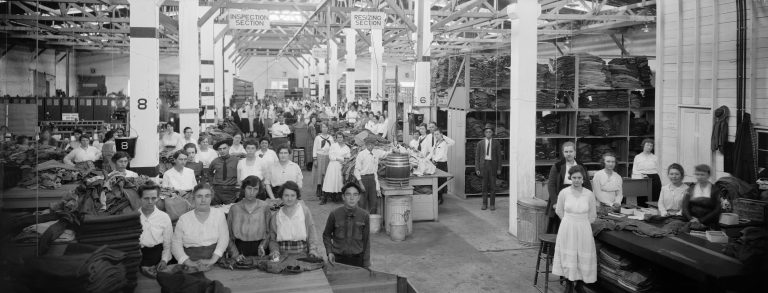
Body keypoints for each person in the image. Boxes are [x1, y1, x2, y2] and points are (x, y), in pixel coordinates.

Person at [552, 165, 597, 292]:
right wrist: (568, 221)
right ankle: (569, 283)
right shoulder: (564, 193)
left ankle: (580, 283)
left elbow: (592, 215)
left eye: (579, 178)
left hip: (584, 227)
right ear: (570, 178)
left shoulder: (589, 194)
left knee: (582, 255)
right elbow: (559, 210)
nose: (577, 180)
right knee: (569, 254)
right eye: (574, 177)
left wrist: (582, 223)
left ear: (583, 179)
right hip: (567, 227)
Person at [172, 184, 229, 271]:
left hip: (216, 262)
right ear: (193, 198)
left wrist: (212, 260)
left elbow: (224, 239)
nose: (203, 200)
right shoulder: (184, 219)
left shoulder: (219, 215)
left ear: (211, 197)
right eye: (199, 196)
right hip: (190, 264)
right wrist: (188, 262)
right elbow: (176, 244)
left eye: (207, 196)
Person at [266, 181, 324, 259]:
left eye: (293, 195)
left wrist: (312, 250)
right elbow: (273, 239)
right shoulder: (276, 215)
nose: (289, 199)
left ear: (297, 196)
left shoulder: (304, 211)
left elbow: (311, 231)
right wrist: (275, 251)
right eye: (286, 195)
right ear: (281, 196)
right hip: (282, 255)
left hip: (302, 254)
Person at [546, 141, 591, 233]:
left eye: (570, 151)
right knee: (558, 226)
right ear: (563, 153)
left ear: (575, 152)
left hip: (578, 197)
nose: (568, 154)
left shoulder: (581, 166)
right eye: (566, 152)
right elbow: (551, 185)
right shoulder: (557, 166)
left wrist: (589, 200)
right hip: (561, 198)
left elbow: (587, 184)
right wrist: (555, 202)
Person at [323, 182, 370, 268]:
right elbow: (326, 235)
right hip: (338, 259)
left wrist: (366, 263)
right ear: (343, 197)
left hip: (357, 259)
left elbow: (366, 241)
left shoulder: (364, 215)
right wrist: (329, 252)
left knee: (356, 281)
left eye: (355, 195)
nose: (352, 198)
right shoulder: (334, 214)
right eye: (348, 194)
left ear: (359, 197)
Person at [228, 176, 271, 260]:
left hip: (259, 249)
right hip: (239, 249)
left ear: (259, 191)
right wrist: (235, 254)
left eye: (255, 189)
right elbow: (228, 235)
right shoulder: (234, 208)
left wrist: (263, 245)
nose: (252, 192)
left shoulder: (264, 207)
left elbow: (269, 232)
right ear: (244, 188)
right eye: (249, 188)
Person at [137, 182, 173, 278]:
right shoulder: (133, 217)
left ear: (158, 198)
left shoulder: (164, 217)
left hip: (157, 255)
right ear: (140, 198)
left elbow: (167, 243)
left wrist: (164, 260)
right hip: (138, 256)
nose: (150, 202)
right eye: (146, 198)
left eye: (153, 198)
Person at [475, 124, 502, 211]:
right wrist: (477, 168)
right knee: (484, 186)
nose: (488, 133)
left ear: (492, 133)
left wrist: (499, 168)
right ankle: (484, 203)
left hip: (492, 165)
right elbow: (477, 157)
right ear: (484, 133)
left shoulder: (496, 143)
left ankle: (492, 204)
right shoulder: (480, 143)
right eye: (486, 132)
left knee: (493, 186)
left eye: (490, 132)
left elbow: (499, 157)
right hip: (483, 165)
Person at [354, 137, 382, 214]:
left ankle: (372, 223)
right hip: (363, 179)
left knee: (374, 203)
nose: (372, 146)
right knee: (362, 203)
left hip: (372, 179)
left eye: (373, 144)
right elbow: (356, 170)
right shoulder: (361, 154)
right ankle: (360, 223)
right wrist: (361, 184)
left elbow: (385, 153)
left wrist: (394, 149)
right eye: (371, 144)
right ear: (367, 145)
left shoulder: (376, 152)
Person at [322, 132, 351, 205]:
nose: (339, 139)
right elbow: (331, 157)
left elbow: (348, 157)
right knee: (330, 181)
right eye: (338, 137)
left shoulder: (346, 147)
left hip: (341, 166)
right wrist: (341, 159)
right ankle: (324, 198)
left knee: (338, 181)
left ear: (343, 138)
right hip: (332, 165)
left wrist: (342, 160)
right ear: (336, 138)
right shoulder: (333, 146)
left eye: (341, 137)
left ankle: (334, 197)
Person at [208, 140, 240, 205]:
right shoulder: (215, 161)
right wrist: (212, 184)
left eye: (224, 148)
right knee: (215, 210)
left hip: (230, 190)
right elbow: (209, 173)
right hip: (217, 191)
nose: (222, 151)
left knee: (229, 211)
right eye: (220, 149)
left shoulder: (236, 160)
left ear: (229, 148)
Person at [428, 128, 454, 205]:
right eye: (435, 134)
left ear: (441, 134)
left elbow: (441, 154)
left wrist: (434, 160)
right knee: (437, 181)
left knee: (441, 181)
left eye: (437, 134)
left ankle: (440, 198)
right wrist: (425, 159)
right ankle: (437, 197)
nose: (436, 136)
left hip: (441, 164)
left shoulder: (444, 143)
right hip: (435, 164)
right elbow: (432, 153)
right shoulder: (436, 143)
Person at [631, 138, 661, 203]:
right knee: (642, 197)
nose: (649, 147)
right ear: (643, 145)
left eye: (651, 146)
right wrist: (641, 175)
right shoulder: (637, 157)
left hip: (654, 178)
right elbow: (634, 170)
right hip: (641, 178)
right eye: (647, 145)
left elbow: (658, 170)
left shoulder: (655, 157)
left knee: (654, 197)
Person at [312, 123, 333, 198]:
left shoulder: (331, 137)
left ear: (328, 128)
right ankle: (318, 188)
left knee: (326, 173)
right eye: (323, 127)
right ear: (321, 128)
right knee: (319, 172)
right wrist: (315, 159)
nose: (324, 129)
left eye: (326, 127)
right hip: (319, 156)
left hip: (328, 156)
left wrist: (332, 157)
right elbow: (314, 148)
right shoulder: (318, 138)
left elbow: (332, 148)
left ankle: (325, 189)